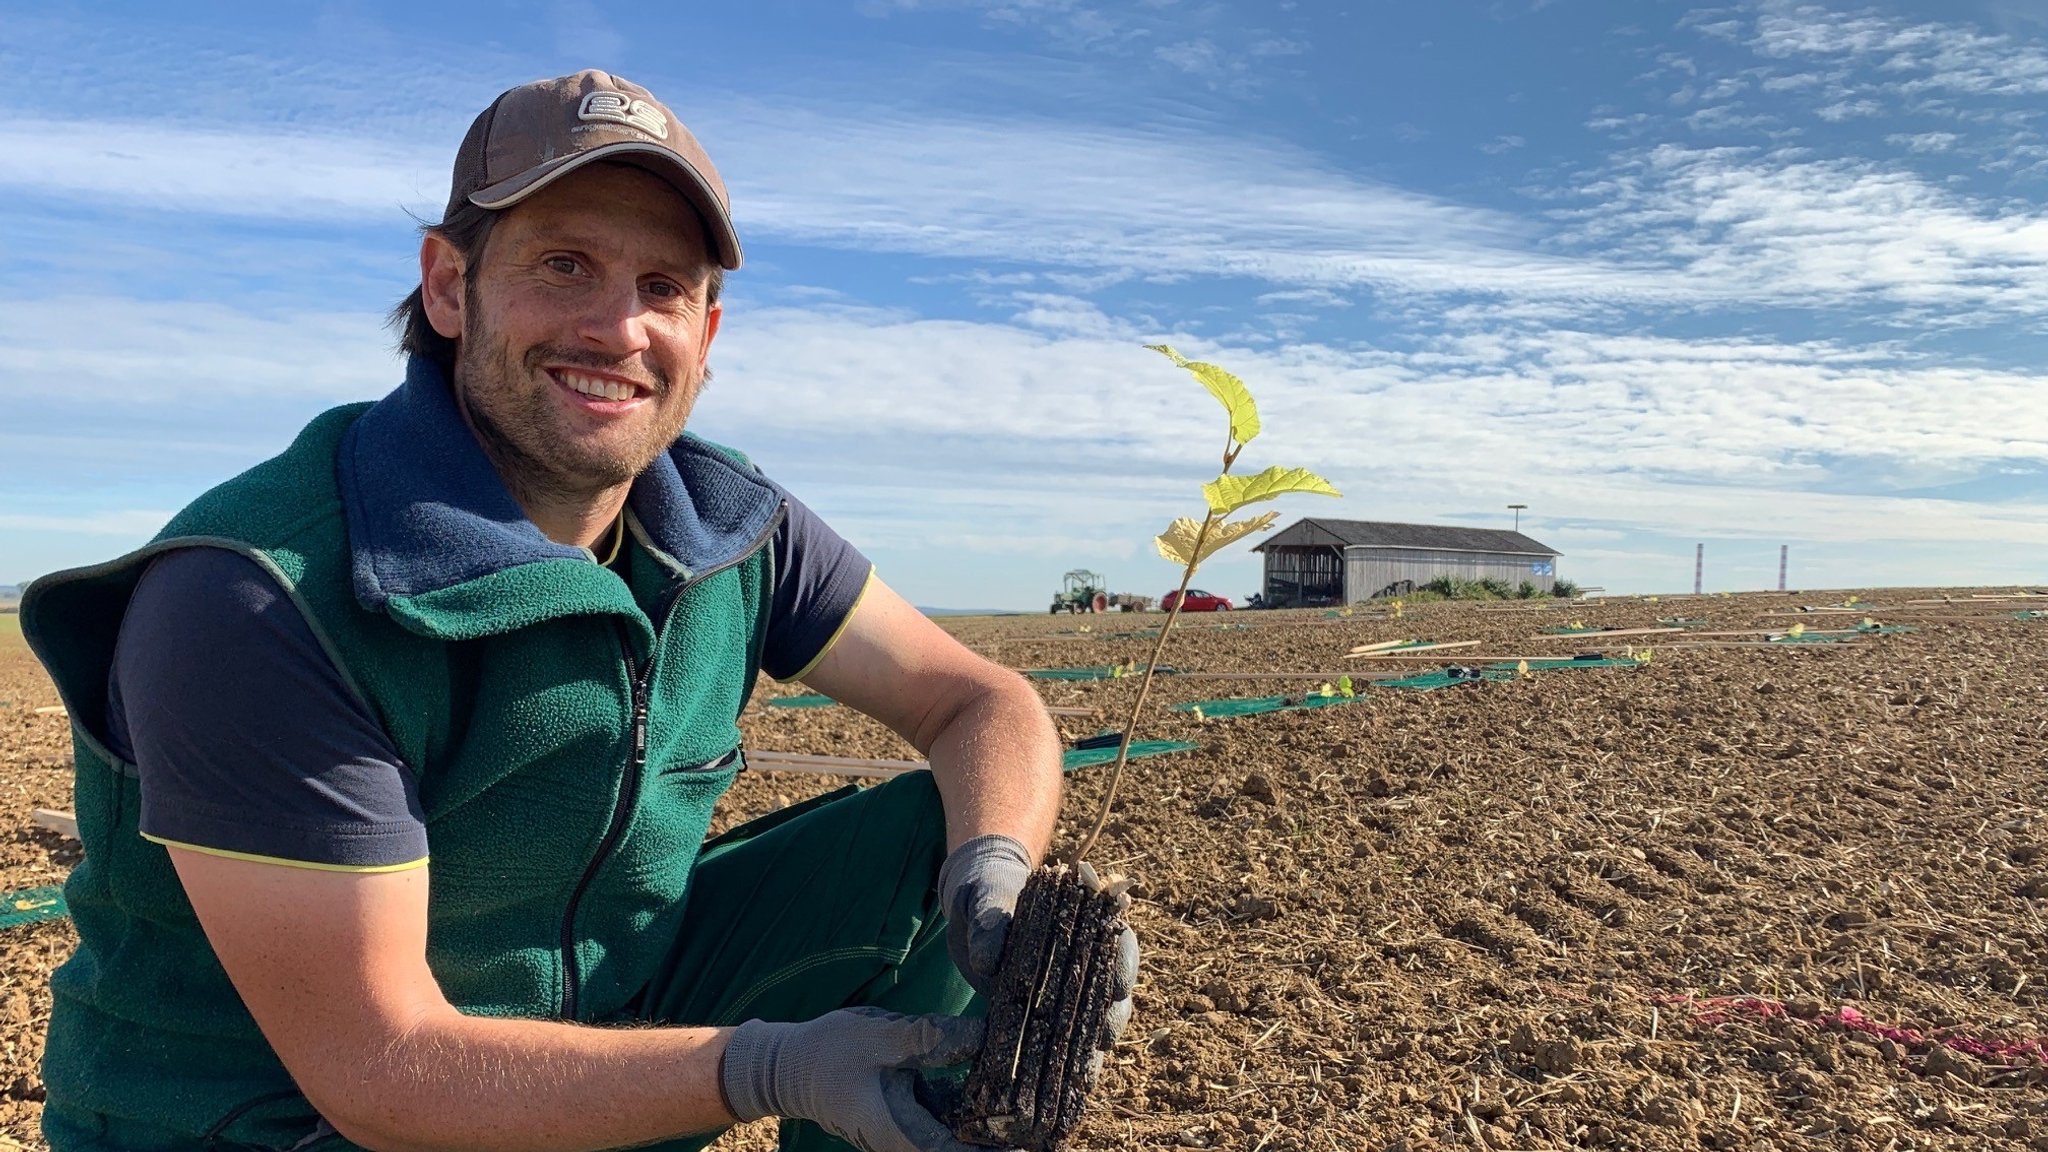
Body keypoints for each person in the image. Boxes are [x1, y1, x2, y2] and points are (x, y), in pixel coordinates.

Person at [20, 70, 1134, 1152]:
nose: (617, 328)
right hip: (287, 1122)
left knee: (932, 835)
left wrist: (991, 876)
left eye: (664, 287)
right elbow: (378, 1070)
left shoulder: (727, 524)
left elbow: (975, 701)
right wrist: (763, 1066)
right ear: (449, 286)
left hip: (600, 1037)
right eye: (564, 265)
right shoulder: (265, 594)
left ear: (707, 333)